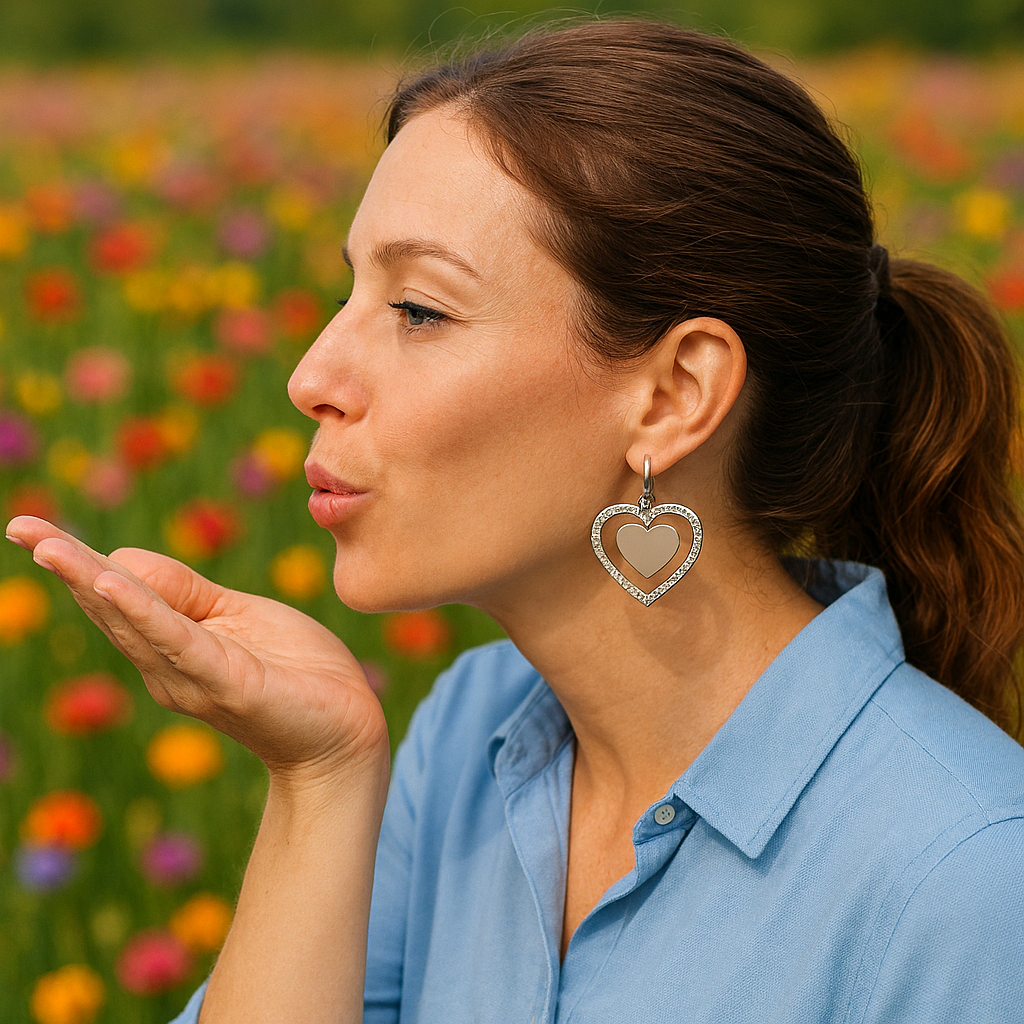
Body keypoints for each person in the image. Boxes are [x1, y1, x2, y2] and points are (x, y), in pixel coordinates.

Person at [7, 18, 1024, 1023]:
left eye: (418, 310)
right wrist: (318, 776)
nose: (311, 375)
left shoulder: (969, 885)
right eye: (352, 291)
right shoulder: (467, 737)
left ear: (674, 394)